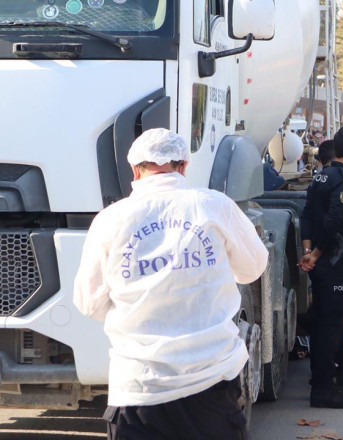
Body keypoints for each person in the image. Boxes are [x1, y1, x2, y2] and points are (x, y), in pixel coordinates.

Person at [73, 128, 268, 439]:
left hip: (140, 390)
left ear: (135, 170)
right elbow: (253, 267)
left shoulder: (110, 220)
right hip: (212, 382)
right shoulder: (212, 205)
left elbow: (89, 302)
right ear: (185, 166)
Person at [299, 126, 343, 409]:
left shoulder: (321, 175)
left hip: (320, 259)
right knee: (331, 327)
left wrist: (308, 250)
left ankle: (321, 382)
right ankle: (323, 390)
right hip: (335, 262)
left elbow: (308, 214)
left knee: (322, 324)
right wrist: (318, 253)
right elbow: (334, 220)